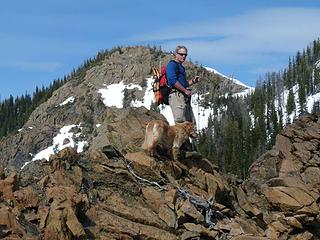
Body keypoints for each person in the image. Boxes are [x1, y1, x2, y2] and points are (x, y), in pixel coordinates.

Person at [166, 46, 201, 155]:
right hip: (176, 96)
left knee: (187, 123)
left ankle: (185, 147)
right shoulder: (172, 65)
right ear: (176, 54)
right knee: (180, 122)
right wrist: (185, 91)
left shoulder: (181, 68)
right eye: (181, 54)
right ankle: (178, 148)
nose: (183, 56)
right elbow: (172, 80)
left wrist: (193, 81)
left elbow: (183, 83)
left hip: (182, 96)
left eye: (185, 54)